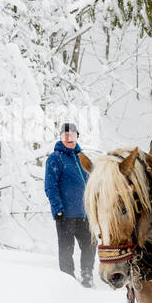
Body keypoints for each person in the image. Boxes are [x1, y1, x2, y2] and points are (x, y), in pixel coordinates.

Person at [44, 122, 94, 287]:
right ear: (61, 137)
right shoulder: (55, 158)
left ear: (77, 136)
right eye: (65, 135)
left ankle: (87, 276)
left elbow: (91, 184)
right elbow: (50, 186)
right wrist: (58, 209)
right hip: (65, 214)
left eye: (72, 135)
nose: (69, 138)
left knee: (90, 244)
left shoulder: (82, 158)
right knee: (66, 250)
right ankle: (68, 281)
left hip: (84, 213)